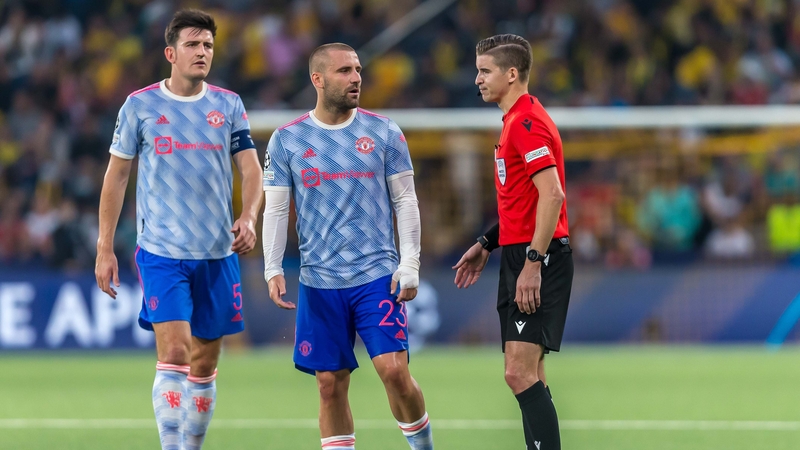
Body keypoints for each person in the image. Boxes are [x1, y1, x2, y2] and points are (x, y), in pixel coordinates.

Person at [94, 9, 261, 450]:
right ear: (171, 52)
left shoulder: (228, 105)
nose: (202, 51)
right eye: (192, 44)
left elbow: (251, 169)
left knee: (205, 363)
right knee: (175, 353)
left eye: (207, 45)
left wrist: (249, 217)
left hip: (218, 253)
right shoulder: (140, 105)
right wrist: (104, 247)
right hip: (162, 252)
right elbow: (117, 176)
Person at [261, 43, 433, 450]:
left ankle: (423, 446)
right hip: (320, 281)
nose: (356, 78)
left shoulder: (385, 132)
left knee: (394, 371)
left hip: (377, 276)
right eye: (344, 71)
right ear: (317, 79)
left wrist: (410, 262)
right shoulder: (287, 140)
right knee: (328, 384)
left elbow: (405, 200)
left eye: (357, 69)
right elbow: (277, 207)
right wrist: (272, 267)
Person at [453, 34, 573, 450]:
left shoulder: (525, 123)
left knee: (517, 373)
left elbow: (552, 194)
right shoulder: (515, 121)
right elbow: (524, 204)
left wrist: (533, 263)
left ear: (511, 73)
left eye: (484, 71)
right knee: (531, 373)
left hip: (537, 257)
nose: (477, 80)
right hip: (521, 252)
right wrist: (487, 243)